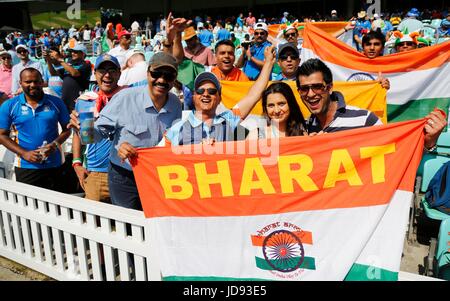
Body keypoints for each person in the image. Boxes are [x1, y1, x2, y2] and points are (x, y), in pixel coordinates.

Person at [69, 52, 182, 210]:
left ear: (175, 78)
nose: (162, 80)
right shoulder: (125, 98)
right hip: (124, 177)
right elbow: (97, 134)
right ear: (148, 73)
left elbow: (174, 138)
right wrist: (84, 129)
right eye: (156, 74)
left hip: (156, 176)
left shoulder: (175, 103)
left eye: (169, 76)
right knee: (127, 226)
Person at [295, 58, 446, 152]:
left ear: (329, 87)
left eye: (317, 87)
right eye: (304, 89)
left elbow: (395, 154)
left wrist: (429, 142)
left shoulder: (366, 119)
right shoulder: (305, 128)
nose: (310, 94)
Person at [164, 45, 275, 146]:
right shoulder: (176, 129)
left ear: (219, 98)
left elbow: (253, 95)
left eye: (212, 91)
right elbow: (156, 158)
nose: (206, 94)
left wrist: (268, 63)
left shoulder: (228, 119)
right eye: (201, 91)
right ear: (193, 97)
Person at [0, 68, 70, 191]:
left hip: (55, 164)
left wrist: (54, 145)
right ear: (20, 83)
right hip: (26, 166)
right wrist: (24, 153)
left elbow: (67, 130)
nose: (33, 85)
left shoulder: (56, 102)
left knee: (57, 205)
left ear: (42, 82)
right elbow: (2, 135)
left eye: (36, 81)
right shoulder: (10, 105)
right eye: (28, 82)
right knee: (30, 207)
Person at [72, 54, 125, 203]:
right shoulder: (85, 101)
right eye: (102, 70)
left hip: (123, 173)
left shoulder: (128, 97)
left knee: (126, 222)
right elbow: (79, 133)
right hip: (95, 174)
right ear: (95, 73)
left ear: (119, 73)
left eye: (112, 70)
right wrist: (76, 163)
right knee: (94, 224)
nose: (107, 75)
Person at [46, 43, 92, 111]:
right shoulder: (69, 64)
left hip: (78, 102)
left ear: (83, 54)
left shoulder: (86, 65)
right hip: (65, 102)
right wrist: (48, 60)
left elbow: (74, 73)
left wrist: (59, 59)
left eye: (76, 52)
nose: (73, 53)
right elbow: (53, 73)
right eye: (72, 51)